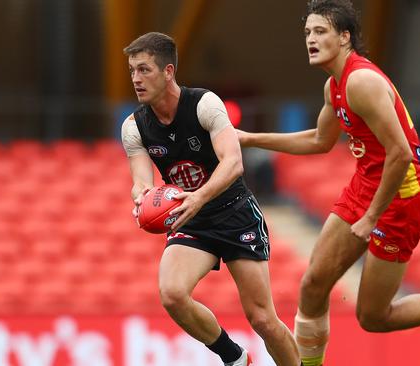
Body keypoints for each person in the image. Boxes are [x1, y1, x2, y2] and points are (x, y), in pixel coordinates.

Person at [237, 1, 420, 365]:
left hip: (401, 199)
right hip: (367, 184)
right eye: (307, 33)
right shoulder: (335, 86)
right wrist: (250, 138)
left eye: (320, 32)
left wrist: (370, 218)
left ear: (345, 37)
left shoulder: (361, 81)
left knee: (374, 318)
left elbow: (401, 154)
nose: (310, 40)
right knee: (313, 285)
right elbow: (319, 140)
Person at [121, 32, 302, 366]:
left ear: (168, 72)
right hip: (191, 219)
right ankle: (235, 358)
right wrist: (142, 196)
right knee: (172, 294)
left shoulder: (205, 104)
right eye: (132, 70)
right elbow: (141, 181)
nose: (135, 79)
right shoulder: (134, 127)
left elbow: (233, 163)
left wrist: (199, 197)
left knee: (262, 319)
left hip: (234, 212)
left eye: (144, 69)